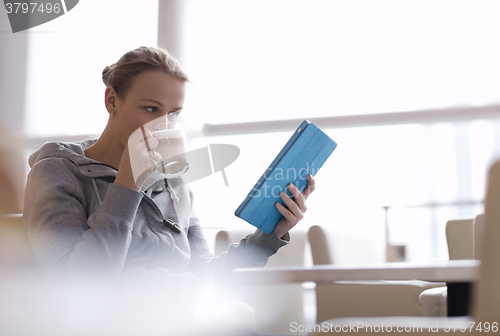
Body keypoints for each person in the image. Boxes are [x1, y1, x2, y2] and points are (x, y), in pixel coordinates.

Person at [23, 45, 314, 289]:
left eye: (173, 113)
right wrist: (127, 184)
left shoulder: (173, 183)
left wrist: (271, 234)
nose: (163, 126)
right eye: (151, 109)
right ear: (112, 100)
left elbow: (205, 275)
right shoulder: (58, 174)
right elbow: (75, 288)